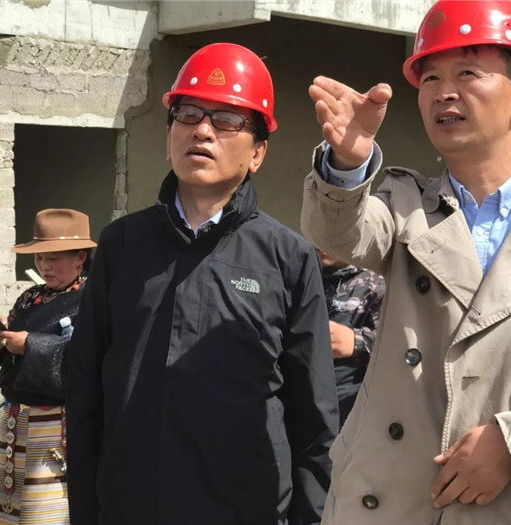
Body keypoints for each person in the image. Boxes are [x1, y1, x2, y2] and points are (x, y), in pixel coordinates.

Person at [301, 0, 511, 523]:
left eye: (467, 73)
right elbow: (337, 234)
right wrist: (348, 165)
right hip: (395, 504)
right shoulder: (401, 205)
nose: (444, 91)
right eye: (431, 77)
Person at [66, 43, 338, 525]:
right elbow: (86, 390)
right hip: (132, 508)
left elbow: (314, 415)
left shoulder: (287, 258)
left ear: (257, 153)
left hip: (248, 510)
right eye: (188, 114)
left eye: (227, 120)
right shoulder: (121, 246)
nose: (203, 130)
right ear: (169, 135)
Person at [0, 208, 96, 525]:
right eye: (40, 258)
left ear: (80, 257)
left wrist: (30, 344)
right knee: (8, 509)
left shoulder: (95, 300)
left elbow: (87, 360)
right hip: (15, 424)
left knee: (45, 514)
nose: (45, 266)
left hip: (56, 428)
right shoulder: (31, 298)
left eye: (54, 258)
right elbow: (13, 360)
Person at [317, 249, 384, 428]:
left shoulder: (379, 284)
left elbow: (400, 348)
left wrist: (357, 341)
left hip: (348, 415)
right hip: (299, 407)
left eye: (331, 238)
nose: (322, 247)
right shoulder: (302, 274)